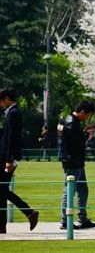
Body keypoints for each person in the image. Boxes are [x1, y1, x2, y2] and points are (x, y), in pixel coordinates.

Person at [0, 88, 39, 234]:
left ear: (7, 99)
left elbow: (12, 138)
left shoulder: (13, 113)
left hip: (7, 158)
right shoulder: (11, 113)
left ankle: (27, 212)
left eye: (1, 101)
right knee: (2, 190)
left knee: (1, 189)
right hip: (6, 157)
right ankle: (27, 213)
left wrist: (9, 160)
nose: (0, 104)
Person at [59, 100, 95, 230]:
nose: (87, 118)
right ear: (82, 112)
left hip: (76, 162)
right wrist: (87, 134)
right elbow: (75, 143)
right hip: (73, 162)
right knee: (70, 190)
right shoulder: (72, 124)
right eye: (88, 115)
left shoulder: (71, 121)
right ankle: (65, 220)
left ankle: (82, 217)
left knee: (82, 190)